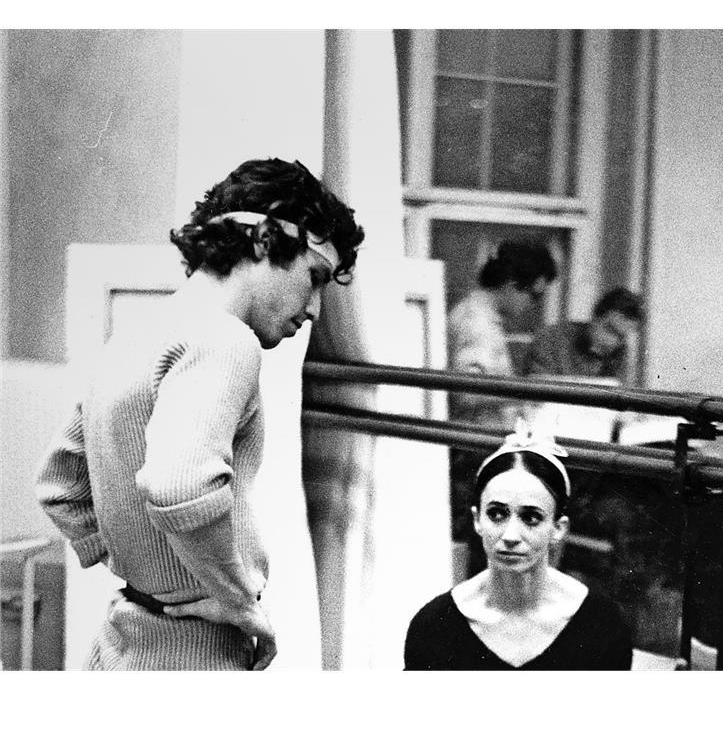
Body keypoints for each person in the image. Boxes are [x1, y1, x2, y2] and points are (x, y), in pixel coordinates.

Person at [35, 158, 365, 670]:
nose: (316, 309)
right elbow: (181, 485)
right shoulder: (224, 339)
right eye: (314, 277)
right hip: (192, 658)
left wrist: (150, 575)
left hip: (121, 648)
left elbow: (61, 486)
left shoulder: (139, 334)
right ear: (263, 241)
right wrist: (235, 600)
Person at [404, 421, 633, 670]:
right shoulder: (435, 626)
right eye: (497, 514)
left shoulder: (602, 627)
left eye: (531, 517)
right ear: (476, 520)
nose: (511, 535)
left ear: (558, 528)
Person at [446, 239, 558, 428]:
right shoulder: (476, 321)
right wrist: (525, 393)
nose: (533, 305)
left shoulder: (481, 315)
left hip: (480, 439)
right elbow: (467, 393)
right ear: (511, 284)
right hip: (472, 444)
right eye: (535, 295)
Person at [524, 287, 644, 382]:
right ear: (595, 317)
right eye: (609, 329)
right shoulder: (551, 339)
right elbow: (537, 393)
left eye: (621, 337)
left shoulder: (620, 355)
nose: (611, 342)